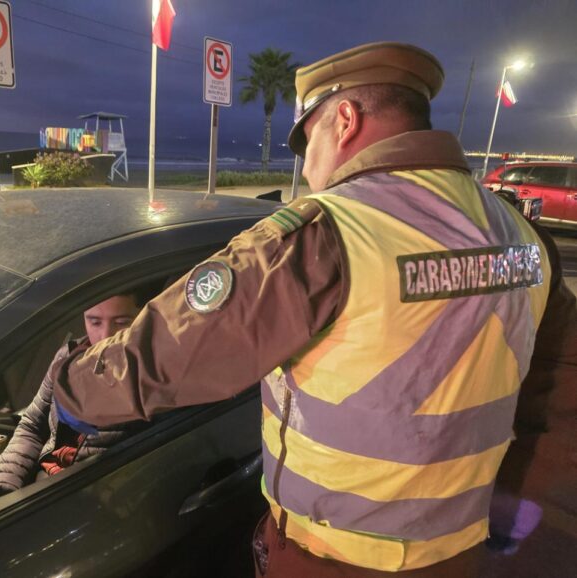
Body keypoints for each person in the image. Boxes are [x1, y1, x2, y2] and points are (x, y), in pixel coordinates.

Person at [53, 42, 577, 576]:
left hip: (334, 559)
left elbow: (169, 352)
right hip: (459, 553)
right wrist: (522, 500)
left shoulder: (326, 234)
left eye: (308, 144)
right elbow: (558, 391)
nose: (307, 170)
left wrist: (71, 388)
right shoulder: (521, 235)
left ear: (344, 120)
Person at [0, 293, 144, 501]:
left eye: (122, 322)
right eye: (94, 322)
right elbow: (32, 425)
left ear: (143, 317)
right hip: (41, 475)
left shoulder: (153, 377)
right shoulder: (68, 357)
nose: (105, 336)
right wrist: (5, 483)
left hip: (80, 495)